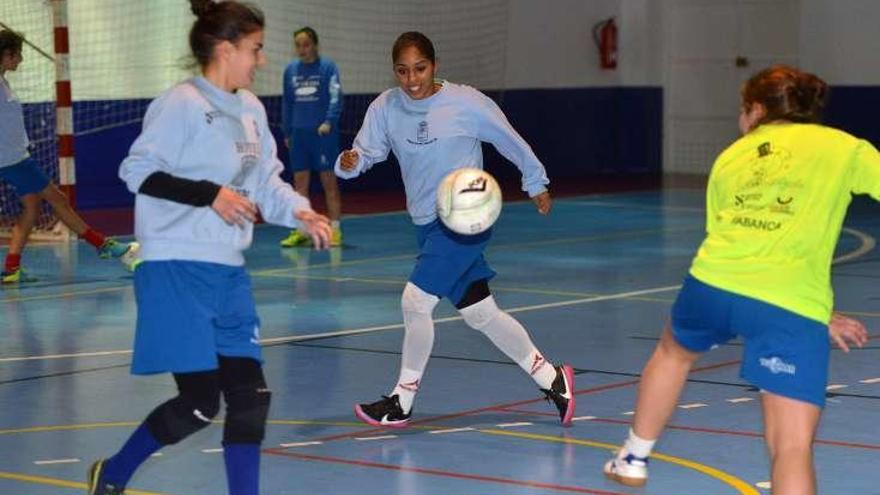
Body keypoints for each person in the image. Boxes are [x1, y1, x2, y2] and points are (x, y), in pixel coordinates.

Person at [86, 1, 331, 494]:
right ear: (225, 49)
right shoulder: (180, 104)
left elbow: (266, 181)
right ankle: (112, 474)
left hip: (227, 273)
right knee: (199, 404)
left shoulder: (251, 110)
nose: (261, 61)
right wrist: (210, 193)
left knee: (250, 396)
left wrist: (300, 211)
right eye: (255, 49)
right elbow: (136, 172)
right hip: (175, 267)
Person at [602, 65, 873, 495]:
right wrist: (814, 313)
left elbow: (728, 234)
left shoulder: (733, 155)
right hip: (789, 303)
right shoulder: (845, 148)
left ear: (758, 110)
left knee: (673, 351)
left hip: (713, 283)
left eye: (742, 109)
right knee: (791, 446)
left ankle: (634, 456)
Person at [337, 31, 575, 428]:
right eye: (402, 71)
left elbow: (508, 140)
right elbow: (367, 151)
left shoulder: (466, 102)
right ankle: (553, 379)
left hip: (465, 218)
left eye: (420, 68)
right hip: (426, 225)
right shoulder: (386, 107)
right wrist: (351, 162)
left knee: (415, 302)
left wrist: (536, 182)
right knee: (481, 313)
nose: (411, 79)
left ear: (435, 65)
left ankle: (402, 400)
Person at [0, 29, 137, 284]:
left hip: (15, 157)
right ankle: (104, 245)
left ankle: (12, 269)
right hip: (12, 160)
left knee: (32, 207)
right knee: (59, 200)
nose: (20, 60)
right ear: (6, 55)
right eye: (18, 55)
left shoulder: (3, 81)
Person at [279, 26, 344, 247]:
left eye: (306, 44)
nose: (302, 49)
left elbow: (336, 97)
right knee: (300, 185)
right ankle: (302, 230)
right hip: (299, 135)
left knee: (329, 182)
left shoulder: (328, 67)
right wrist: (287, 132)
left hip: (323, 135)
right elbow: (287, 103)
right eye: (298, 45)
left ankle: (335, 230)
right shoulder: (290, 71)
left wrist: (328, 121)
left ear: (314, 45)